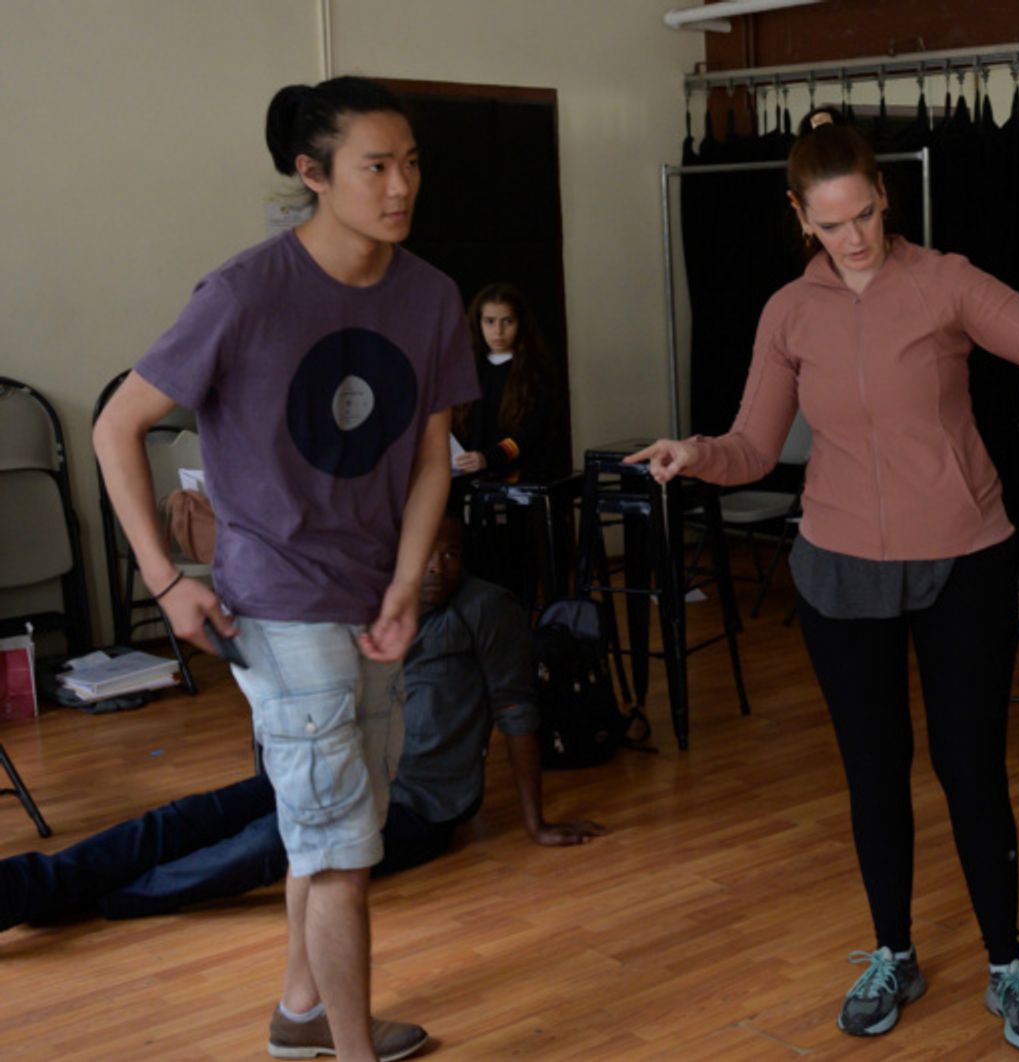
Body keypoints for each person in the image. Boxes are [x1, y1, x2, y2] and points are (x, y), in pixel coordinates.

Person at [627, 106, 1019, 1054]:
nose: (852, 239)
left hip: (962, 558)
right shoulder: (789, 313)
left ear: (885, 197)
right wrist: (694, 453)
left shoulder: (944, 283)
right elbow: (754, 445)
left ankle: (1007, 964)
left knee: (971, 772)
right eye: (831, 222)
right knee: (873, 773)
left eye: (864, 216)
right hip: (840, 571)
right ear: (800, 216)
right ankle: (892, 949)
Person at [93, 77, 479, 1062]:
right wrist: (168, 580)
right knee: (345, 852)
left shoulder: (431, 296)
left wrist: (404, 583)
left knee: (336, 824)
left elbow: (433, 453)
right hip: (275, 599)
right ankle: (347, 1052)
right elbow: (116, 425)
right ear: (314, 175)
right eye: (376, 166)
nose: (402, 186)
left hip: (377, 598)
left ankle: (302, 1013)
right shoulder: (243, 293)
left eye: (412, 162)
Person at [0, 516, 603, 930]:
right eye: (426, 553)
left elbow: (517, 710)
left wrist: (536, 822)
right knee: (188, 817)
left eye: (452, 553)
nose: (439, 567)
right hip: (331, 759)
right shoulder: (370, 599)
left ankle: (95, 899)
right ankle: (32, 886)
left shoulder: (486, 609)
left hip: (417, 805)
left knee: (263, 847)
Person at [452, 282, 561, 483]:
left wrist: (489, 459)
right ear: (478, 323)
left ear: (520, 323)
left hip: (521, 472)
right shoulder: (468, 370)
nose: (498, 331)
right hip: (470, 471)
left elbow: (532, 432)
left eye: (507, 321)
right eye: (490, 321)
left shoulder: (535, 371)